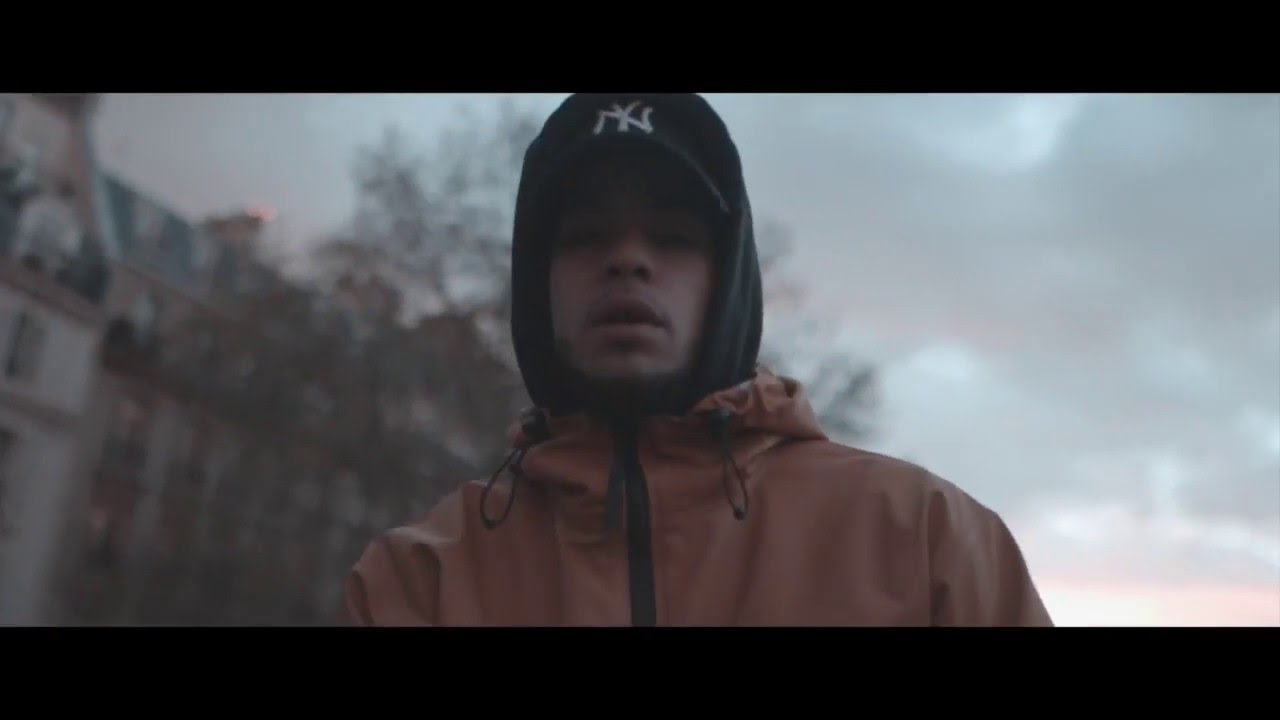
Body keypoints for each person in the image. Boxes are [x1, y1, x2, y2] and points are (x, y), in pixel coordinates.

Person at [343, 93, 1054, 626]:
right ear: (537, 284)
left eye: (673, 237)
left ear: (729, 284)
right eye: (587, 236)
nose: (627, 260)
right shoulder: (419, 580)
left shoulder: (925, 540)